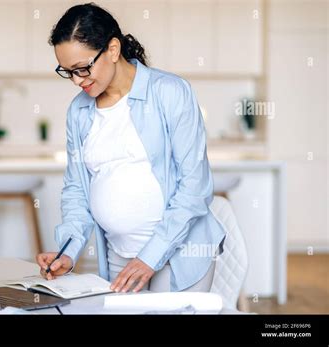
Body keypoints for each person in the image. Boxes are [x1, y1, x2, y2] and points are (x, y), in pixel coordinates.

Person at [36, 3, 226, 293]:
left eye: (83, 68)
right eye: (68, 72)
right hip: (119, 254)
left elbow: (194, 188)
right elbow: (76, 188)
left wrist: (149, 257)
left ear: (112, 50)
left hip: (179, 252)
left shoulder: (170, 92)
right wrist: (68, 250)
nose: (76, 80)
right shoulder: (79, 112)